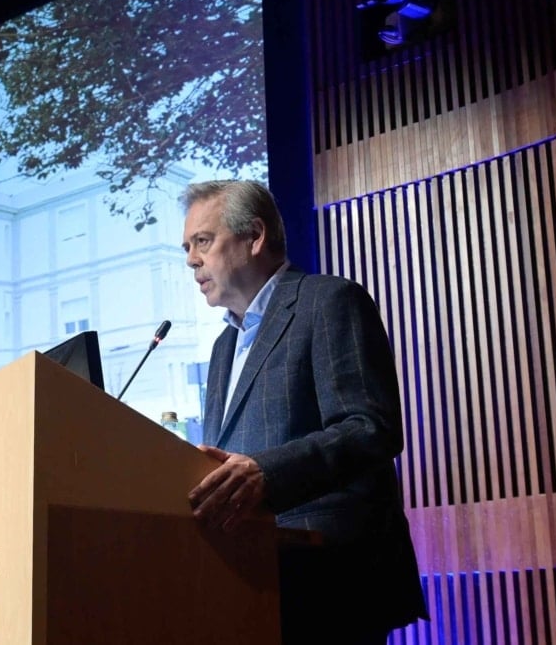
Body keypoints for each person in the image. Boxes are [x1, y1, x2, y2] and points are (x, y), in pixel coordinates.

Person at [181, 180, 427, 644]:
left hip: (329, 581)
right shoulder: (221, 348)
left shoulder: (328, 301)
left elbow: (370, 428)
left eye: (203, 241)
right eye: (188, 247)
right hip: (247, 581)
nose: (192, 259)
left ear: (254, 236)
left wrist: (265, 475)